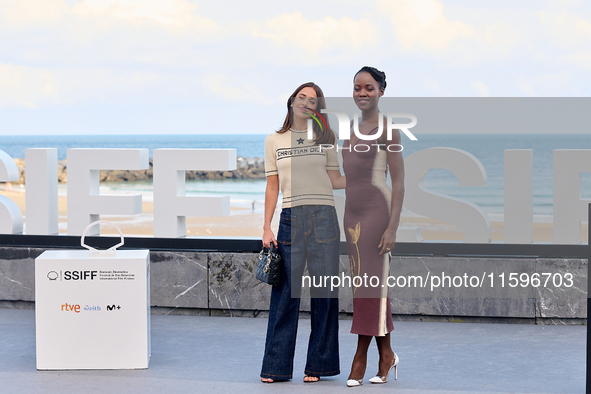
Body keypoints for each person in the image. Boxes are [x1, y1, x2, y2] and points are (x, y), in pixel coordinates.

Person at [260, 82, 345, 383]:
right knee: (285, 296)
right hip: (290, 219)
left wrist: (366, 176)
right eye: (302, 97)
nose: (306, 103)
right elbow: (273, 186)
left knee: (325, 296)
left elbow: (335, 180)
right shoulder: (274, 140)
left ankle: (319, 366)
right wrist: (266, 226)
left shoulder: (327, 137)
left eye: (313, 100)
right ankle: (275, 367)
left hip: (324, 217)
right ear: (292, 101)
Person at [343, 66, 404, 387]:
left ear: (381, 91)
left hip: (377, 215)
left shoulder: (388, 130)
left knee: (370, 288)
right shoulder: (350, 128)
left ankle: (359, 358)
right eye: (357, 88)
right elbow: (346, 178)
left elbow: (399, 181)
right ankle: (388, 355)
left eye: (368, 88)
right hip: (350, 218)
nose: (362, 93)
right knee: (368, 289)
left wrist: (392, 227)